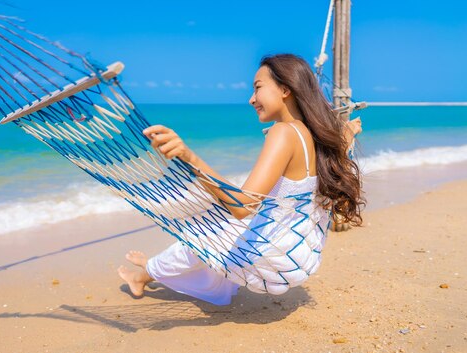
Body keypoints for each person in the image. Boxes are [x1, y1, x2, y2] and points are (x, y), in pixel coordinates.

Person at [118, 54, 365, 305]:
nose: (251, 99)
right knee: (219, 226)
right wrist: (349, 132)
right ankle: (152, 268)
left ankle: (146, 273)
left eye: (258, 88)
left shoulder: (284, 132)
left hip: (270, 263)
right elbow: (341, 149)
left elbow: (242, 206)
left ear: (285, 89)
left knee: (205, 226)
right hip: (299, 256)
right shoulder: (316, 135)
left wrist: (188, 155)